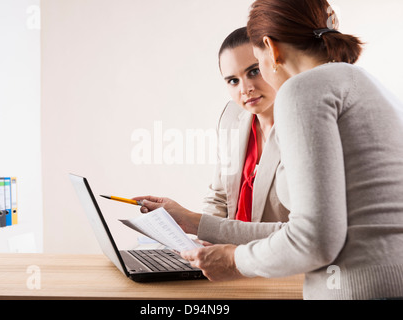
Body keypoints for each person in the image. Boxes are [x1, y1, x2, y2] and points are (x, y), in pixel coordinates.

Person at [136, 0, 403, 300]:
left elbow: (312, 241)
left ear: (270, 49)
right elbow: (318, 230)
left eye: (256, 66)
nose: (248, 86)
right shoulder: (368, 84)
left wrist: (234, 261)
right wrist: (196, 222)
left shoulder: (302, 89)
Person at [204, 27, 290, 224]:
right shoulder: (231, 116)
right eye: (233, 81)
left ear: (275, 63)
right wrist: (203, 241)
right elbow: (219, 197)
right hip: (226, 249)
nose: (245, 89)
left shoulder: (304, 125)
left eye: (254, 71)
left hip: (273, 252)